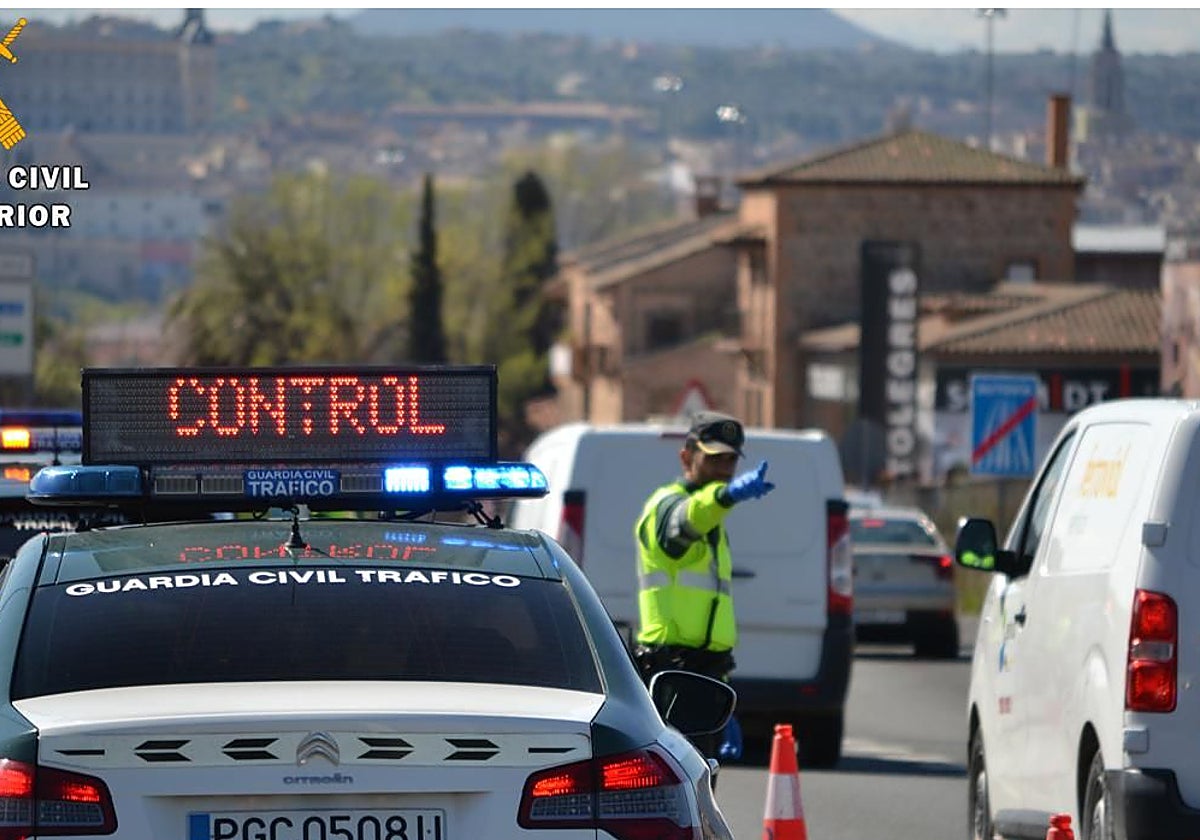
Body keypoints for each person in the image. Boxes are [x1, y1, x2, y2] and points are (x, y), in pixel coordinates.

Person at [632, 410, 775, 758]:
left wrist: (722, 696)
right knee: (678, 793)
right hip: (673, 675)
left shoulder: (713, 520)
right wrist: (725, 497)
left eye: (729, 461)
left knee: (702, 789)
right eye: (713, 459)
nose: (723, 470)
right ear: (686, 457)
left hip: (705, 675)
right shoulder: (666, 507)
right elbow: (685, 522)